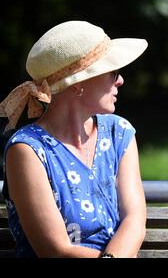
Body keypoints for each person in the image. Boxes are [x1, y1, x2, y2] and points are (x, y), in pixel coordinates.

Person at [0, 20, 148, 257]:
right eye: (113, 72)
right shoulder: (27, 150)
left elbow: (135, 218)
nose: (120, 80)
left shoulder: (119, 132)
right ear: (78, 86)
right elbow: (55, 251)